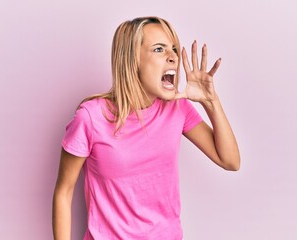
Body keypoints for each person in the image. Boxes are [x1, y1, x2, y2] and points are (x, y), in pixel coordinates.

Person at [52, 16, 240, 240]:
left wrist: (211, 101)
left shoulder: (177, 108)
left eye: (173, 49)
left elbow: (230, 161)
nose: (173, 57)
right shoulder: (91, 117)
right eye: (159, 49)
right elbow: (64, 192)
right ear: (133, 60)